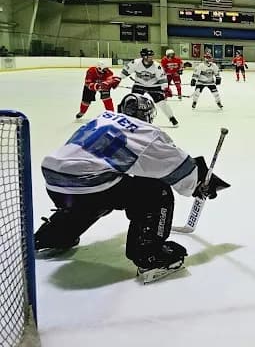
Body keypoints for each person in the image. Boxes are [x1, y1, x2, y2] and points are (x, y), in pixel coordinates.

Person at [34, 93, 228, 278]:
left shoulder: (103, 117)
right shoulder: (147, 132)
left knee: (98, 194)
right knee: (154, 192)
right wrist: (200, 184)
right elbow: (177, 167)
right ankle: (149, 255)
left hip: (55, 181)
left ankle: (53, 236)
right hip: (91, 185)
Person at [121, 48, 179, 126]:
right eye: (149, 56)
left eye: (152, 56)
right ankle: (130, 119)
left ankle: (172, 118)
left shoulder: (157, 66)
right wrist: (118, 79)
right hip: (139, 85)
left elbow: (162, 78)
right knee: (133, 101)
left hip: (154, 86)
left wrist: (165, 88)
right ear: (144, 56)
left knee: (162, 103)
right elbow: (125, 71)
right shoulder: (135, 63)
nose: (151, 58)